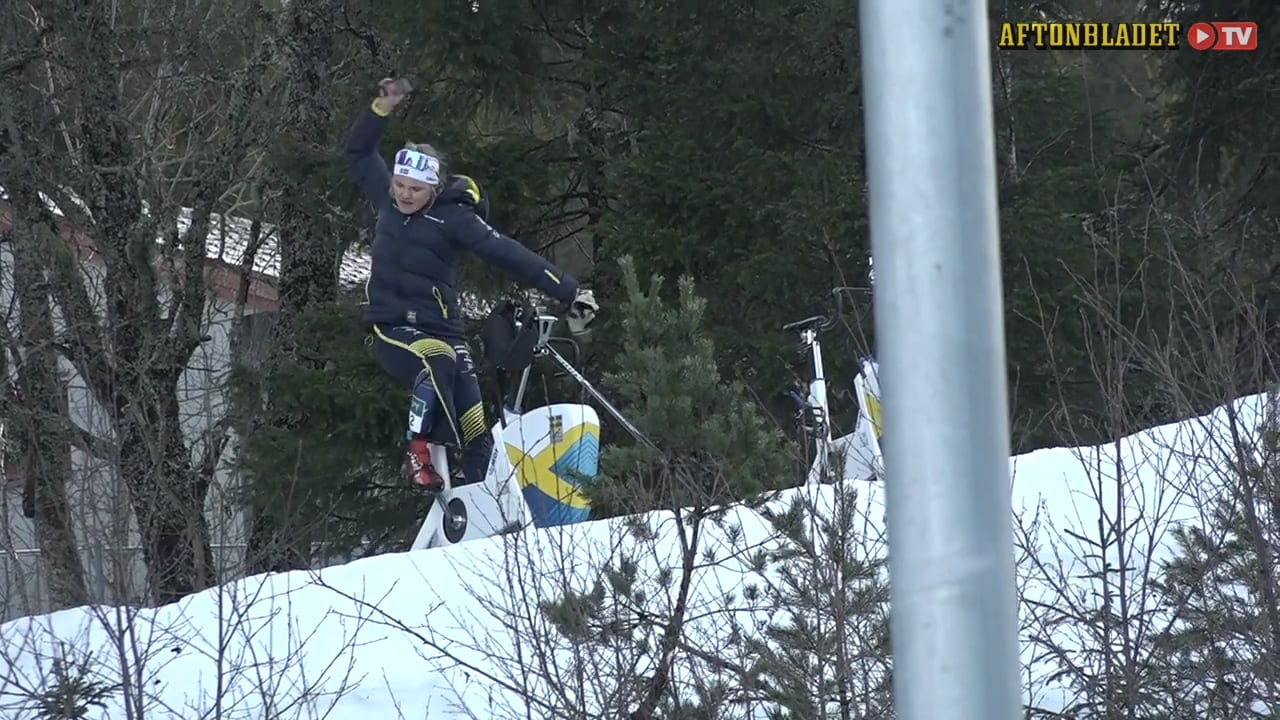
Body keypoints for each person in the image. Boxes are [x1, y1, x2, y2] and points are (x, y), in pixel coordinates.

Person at [344, 78, 599, 491]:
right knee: (436, 358)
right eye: (400, 186)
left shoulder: (455, 220)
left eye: (416, 189)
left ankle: (482, 504)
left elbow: (510, 254)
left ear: (435, 189)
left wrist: (570, 290)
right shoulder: (386, 198)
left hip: (444, 327)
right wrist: (380, 108)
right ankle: (417, 452)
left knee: (476, 422)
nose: (405, 195)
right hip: (392, 328)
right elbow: (357, 152)